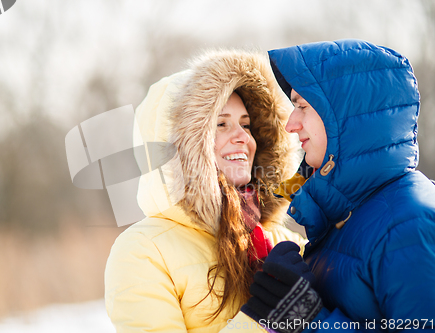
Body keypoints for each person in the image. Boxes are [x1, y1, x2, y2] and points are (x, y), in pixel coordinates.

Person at [104, 49, 324, 332]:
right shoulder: (143, 252)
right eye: (221, 124)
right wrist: (263, 319)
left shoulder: (283, 242)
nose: (243, 137)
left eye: (246, 124)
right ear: (182, 147)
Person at [267, 39, 435, 331]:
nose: (290, 123)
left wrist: (304, 316)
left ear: (344, 117)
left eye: (303, 106)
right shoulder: (345, 215)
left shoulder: (411, 225)